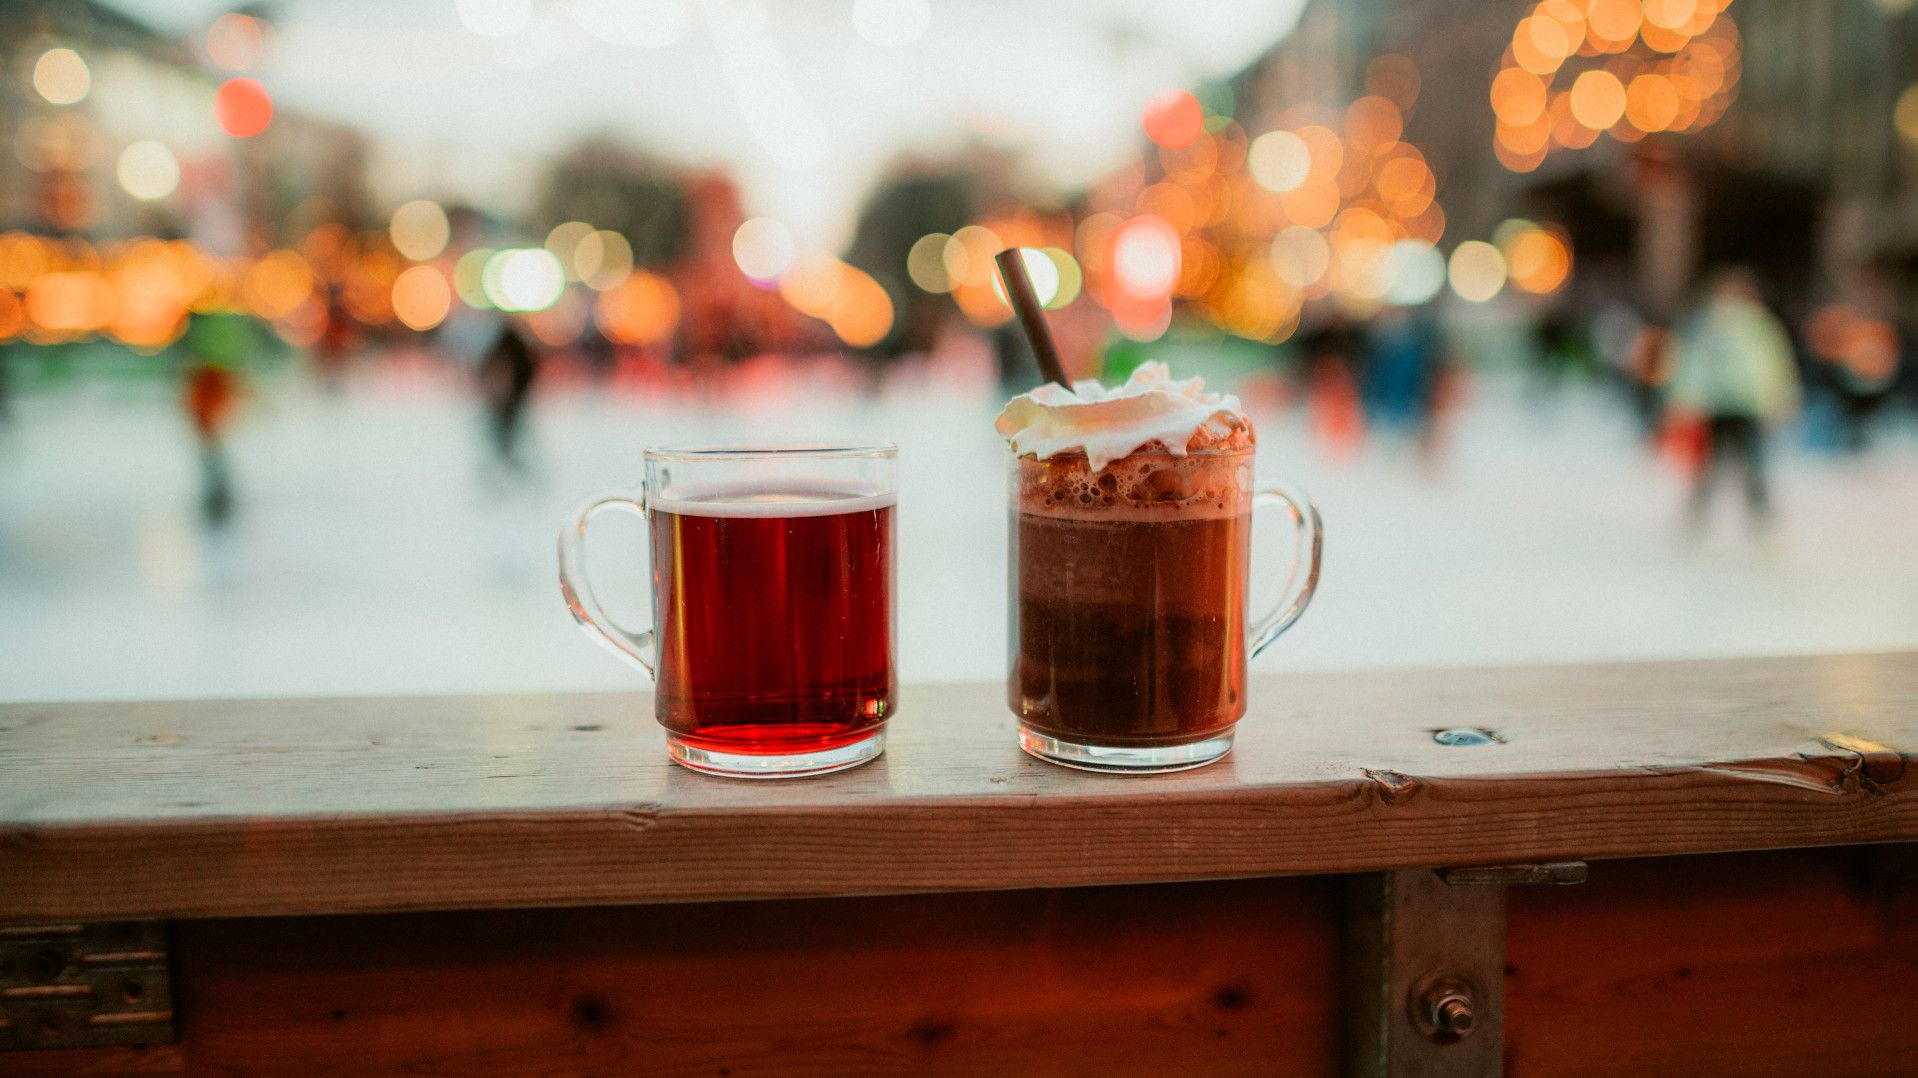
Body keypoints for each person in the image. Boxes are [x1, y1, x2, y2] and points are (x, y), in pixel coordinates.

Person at [1669, 268, 1801, 528]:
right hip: (1732, 404)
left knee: (1733, 463)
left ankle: (1751, 515)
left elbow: (1774, 366)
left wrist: (1685, 398)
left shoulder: (1736, 326)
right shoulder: (1733, 326)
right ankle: (1739, 515)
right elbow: (1777, 365)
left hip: (1737, 404)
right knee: (1732, 463)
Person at [478, 320, 539, 473]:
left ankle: (505, 460)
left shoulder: (499, 350)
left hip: (507, 399)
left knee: (505, 431)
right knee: (510, 431)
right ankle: (507, 460)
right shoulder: (517, 351)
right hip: (512, 399)